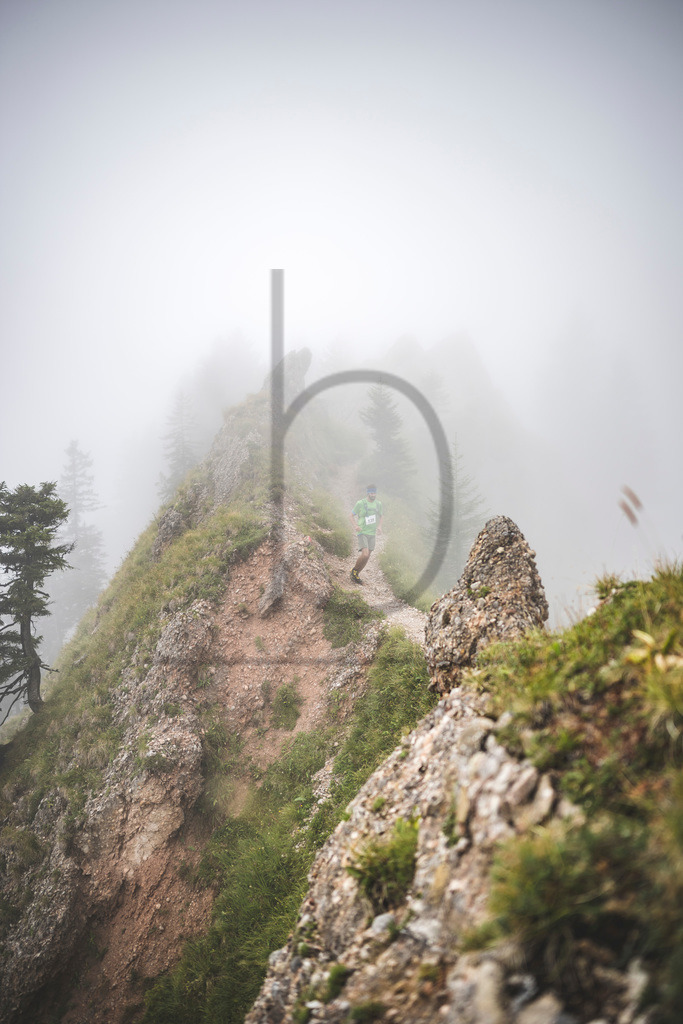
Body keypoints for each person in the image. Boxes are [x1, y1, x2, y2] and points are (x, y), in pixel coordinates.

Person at [350, 485, 383, 584]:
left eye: (375, 493)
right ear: (368, 493)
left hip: (372, 532)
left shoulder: (378, 504)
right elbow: (351, 515)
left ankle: (356, 574)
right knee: (364, 554)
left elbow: (381, 516)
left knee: (368, 556)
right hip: (362, 531)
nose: (373, 495)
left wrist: (380, 526)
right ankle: (354, 571)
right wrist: (355, 525)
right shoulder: (360, 503)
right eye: (371, 493)